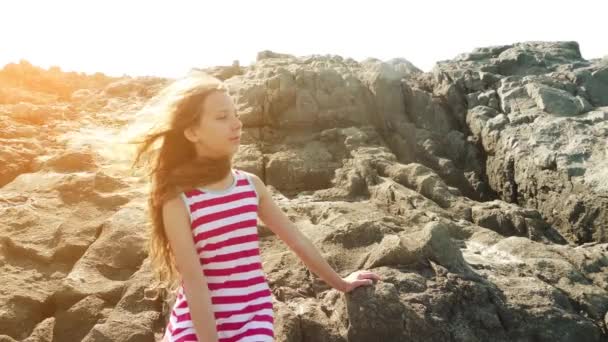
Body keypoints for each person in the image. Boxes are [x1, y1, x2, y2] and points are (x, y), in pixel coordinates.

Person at [133, 72, 381, 342]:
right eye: (221, 117)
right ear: (192, 132)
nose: (237, 124)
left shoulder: (250, 186)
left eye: (236, 114)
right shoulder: (178, 200)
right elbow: (193, 280)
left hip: (252, 318)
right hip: (197, 323)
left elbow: (297, 240)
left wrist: (342, 283)